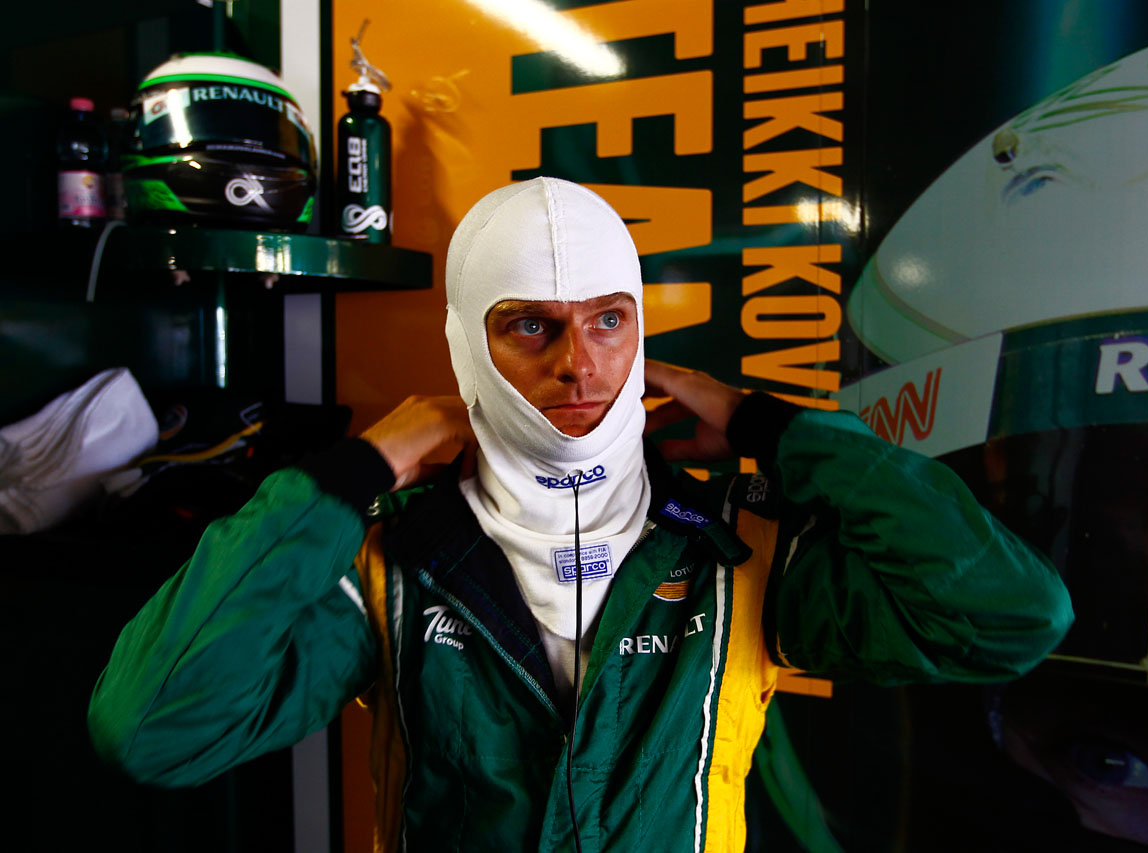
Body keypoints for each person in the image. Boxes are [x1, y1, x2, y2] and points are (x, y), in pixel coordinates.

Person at [88, 177, 1073, 852]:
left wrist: (778, 431)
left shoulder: (740, 553)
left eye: (609, 319)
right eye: (529, 325)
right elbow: (154, 729)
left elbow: (1008, 615)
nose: (580, 363)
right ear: (468, 343)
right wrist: (354, 470)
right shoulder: (390, 558)